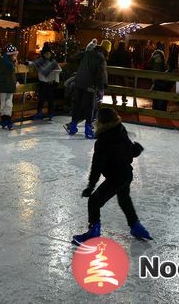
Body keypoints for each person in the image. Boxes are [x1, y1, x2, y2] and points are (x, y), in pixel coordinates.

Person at [72, 107, 152, 245]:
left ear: (101, 122)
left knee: (94, 201)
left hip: (115, 178)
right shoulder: (121, 129)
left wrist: (90, 187)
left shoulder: (102, 142)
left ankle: (94, 231)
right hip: (127, 174)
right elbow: (130, 150)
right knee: (124, 198)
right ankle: (136, 226)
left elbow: (96, 167)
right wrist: (137, 149)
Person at [64, 39, 109, 139]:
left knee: (77, 105)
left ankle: (73, 126)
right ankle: (88, 130)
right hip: (90, 85)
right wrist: (100, 86)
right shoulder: (101, 58)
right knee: (89, 108)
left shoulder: (87, 53)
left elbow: (74, 57)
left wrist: (86, 50)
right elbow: (101, 74)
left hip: (79, 83)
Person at [30, 43, 61, 120]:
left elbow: (58, 70)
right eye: (46, 53)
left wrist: (56, 81)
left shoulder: (53, 62)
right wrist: (28, 63)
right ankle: (39, 112)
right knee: (41, 99)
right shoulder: (40, 62)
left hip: (50, 83)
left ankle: (50, 113)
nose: (48, 55)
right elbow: (33, 64)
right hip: (42, 83)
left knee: (51, 99)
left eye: (49, 53)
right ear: (43, 54)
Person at [0, 44, 19, 130]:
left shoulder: (12, 62)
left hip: (10, 85)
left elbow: (13, 74)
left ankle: (7, 120)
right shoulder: (2, 61)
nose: (15, 57)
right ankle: (5, 120)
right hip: (3, 85)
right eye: (14, 55)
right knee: (4, 103)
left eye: (16, 55)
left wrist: (15, 82)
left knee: (9, 104)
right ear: (10, 55)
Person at [108, 40, 131, 105]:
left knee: (113, 85)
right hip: (123, 71)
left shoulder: (115, 52)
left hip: (114, 70)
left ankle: (114, 99)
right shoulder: (126, 53)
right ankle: (124, 98)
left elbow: (110, 61)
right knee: (125, 85)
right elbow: (129, 62)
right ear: (124, 46)